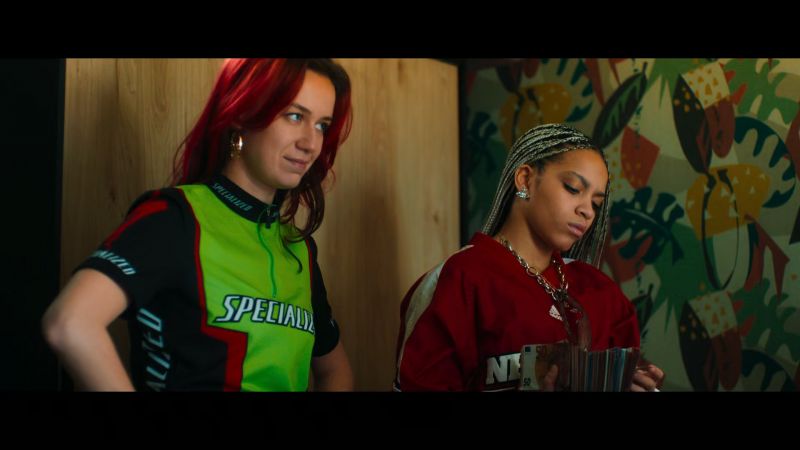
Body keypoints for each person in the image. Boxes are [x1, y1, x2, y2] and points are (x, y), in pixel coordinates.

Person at [42, 59, 354, 391]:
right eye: (295, 116)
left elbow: (335, 371)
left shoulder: (298, 247)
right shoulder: (174, 218)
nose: (311, 143)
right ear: (243, 113)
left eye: (322, 125)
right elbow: (70, 322)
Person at [394, 123, 665, 392]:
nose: (587, 211)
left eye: (596, 203)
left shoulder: (602, 293)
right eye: (573, 188)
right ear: (525, 180)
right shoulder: (458, 280)